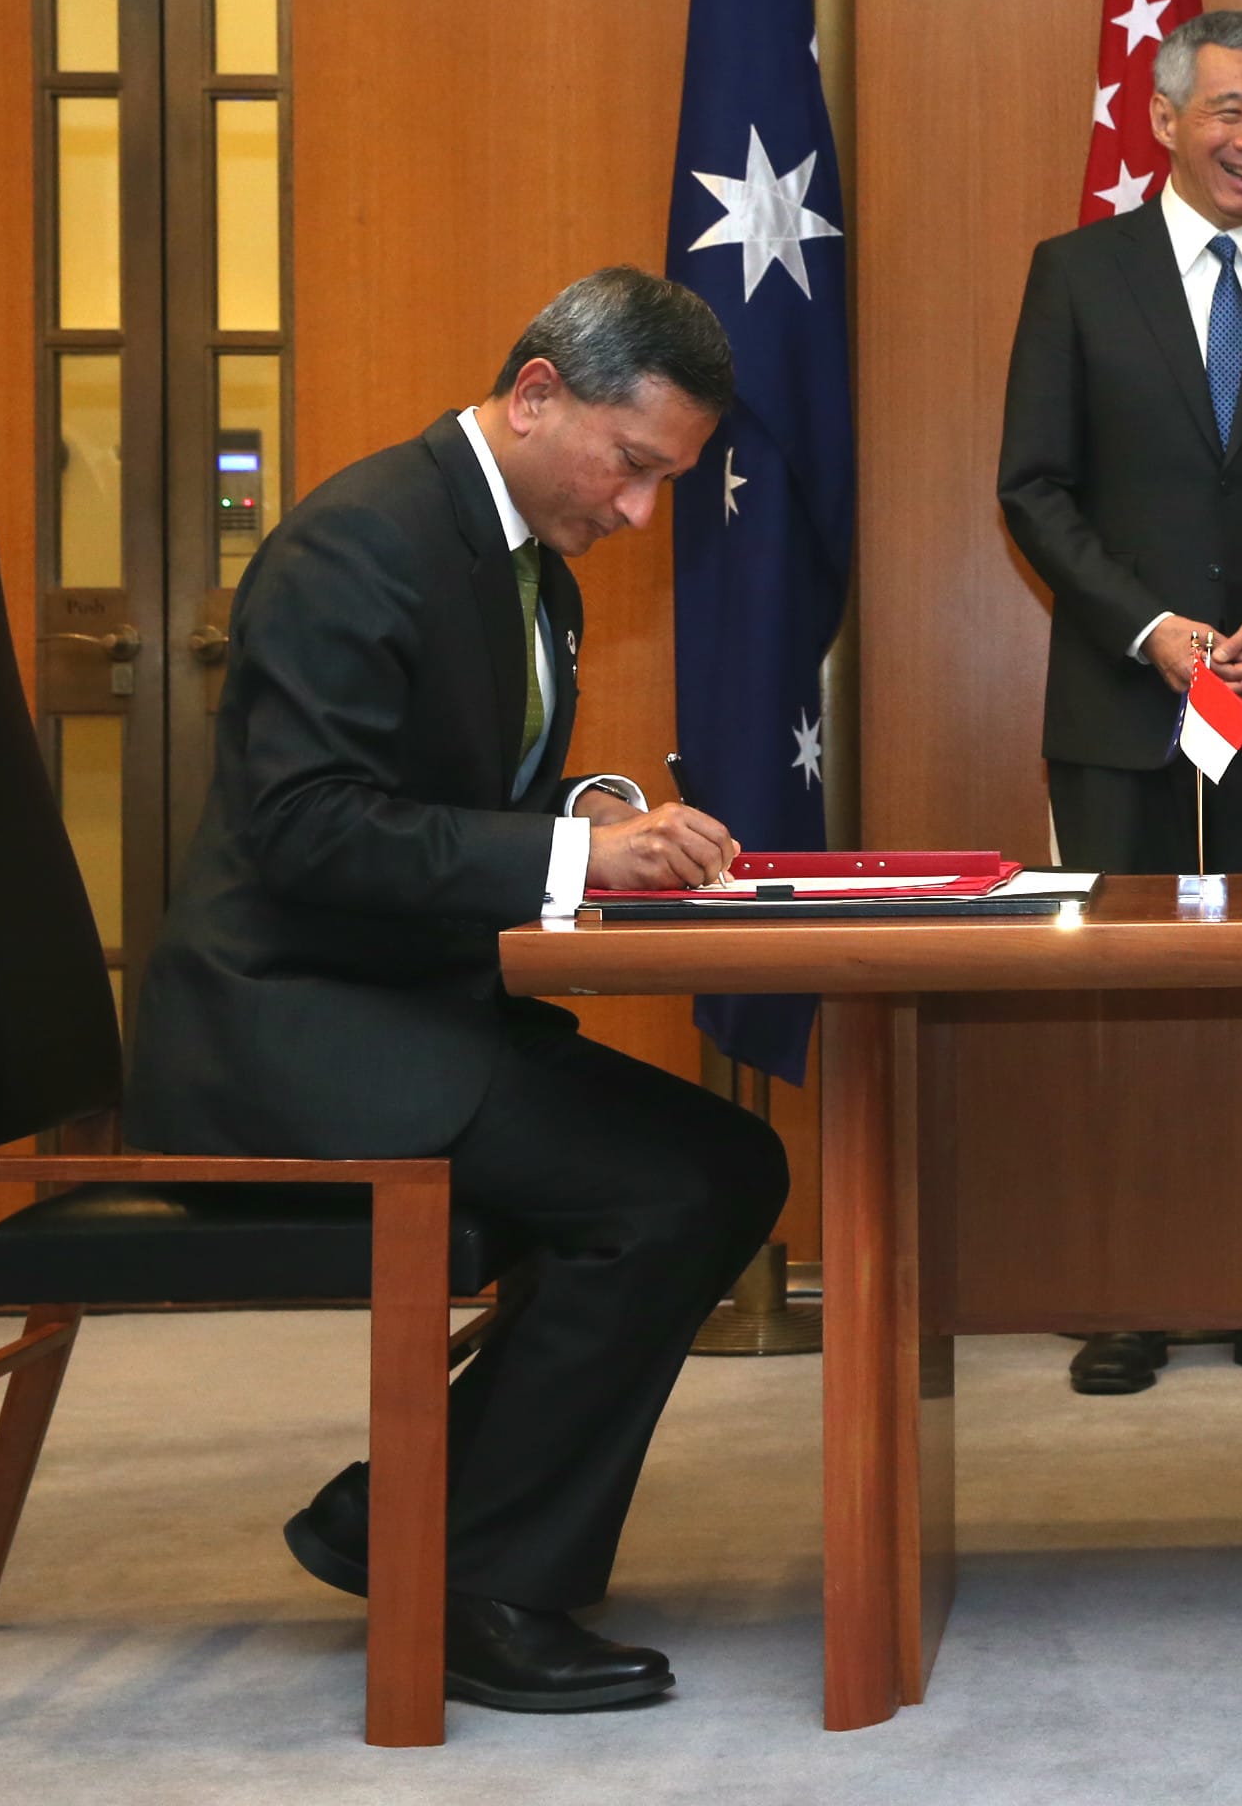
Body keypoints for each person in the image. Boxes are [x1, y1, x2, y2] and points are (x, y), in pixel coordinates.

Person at [125, 267, 787, 1714]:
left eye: (667, 483)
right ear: (539, 395)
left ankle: (402, 1518)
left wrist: (598, 840)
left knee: (727, 1160)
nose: (637, 515)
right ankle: (476, 1583)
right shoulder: (359, 545)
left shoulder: (508, 551)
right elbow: (307, 829)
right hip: (279, 1032)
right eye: (633, 468)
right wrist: (571, 849)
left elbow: (443, 806)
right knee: (676, 1187)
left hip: (385, 1002)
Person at [997, 8, 1242, 1397]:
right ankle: (1130, 1291)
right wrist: (1153, 629)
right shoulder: (1078, 275)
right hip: (1122, 709)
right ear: (1164, 119)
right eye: (1229, 110)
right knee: (1125, 1007)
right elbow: (1032, 487)